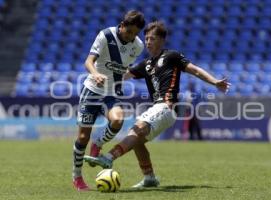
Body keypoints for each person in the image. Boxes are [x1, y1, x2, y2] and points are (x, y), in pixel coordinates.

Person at [84, 21, 230, 188]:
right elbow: (123, 75)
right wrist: (99, 75)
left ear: (162, 40)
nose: (147, 42)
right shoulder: (145, 64)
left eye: (152, 38)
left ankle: (108, 158)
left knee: (135, 131)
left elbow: (195, 70)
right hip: (157, 107)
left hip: (167, 107)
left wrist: (215, 82)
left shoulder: (172, 56)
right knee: (137, 140)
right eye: (146, 39)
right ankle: (149, 178)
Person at [72, 10, 145, 191]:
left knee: (118, 119)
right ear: (122, 25)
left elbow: (121, 69)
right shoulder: (105, 35)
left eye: (135, 34)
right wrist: (96, 74)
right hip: (92, 90)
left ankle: (97, 143)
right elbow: (88, 61)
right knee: (82, 137)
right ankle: (77, 177)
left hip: (111, 92)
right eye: (129, 32)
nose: (131, 37)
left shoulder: (138, 46)